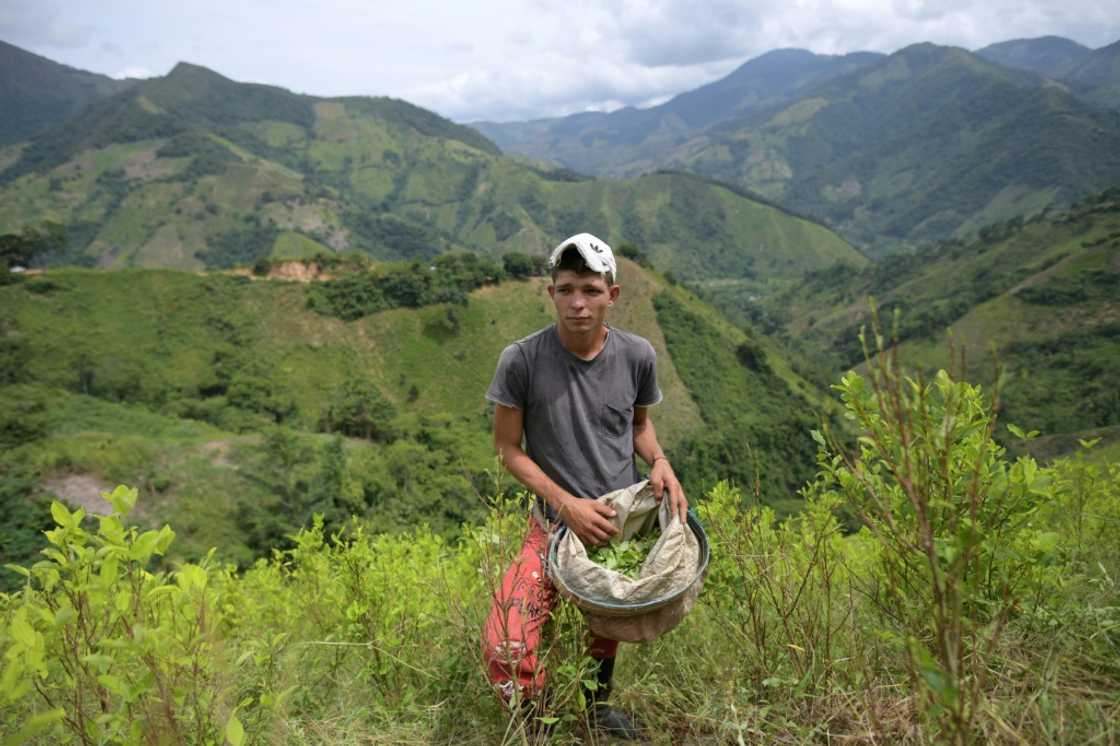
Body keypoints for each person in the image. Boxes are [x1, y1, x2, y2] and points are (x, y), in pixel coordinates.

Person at [482, 232, 687, 739]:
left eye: (591, 290)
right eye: (567, 288)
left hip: (614, 524)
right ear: (549, 291)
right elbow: (508, 448)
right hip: (551, 527)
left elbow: (638, 426)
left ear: (612, 296)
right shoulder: (522, 360)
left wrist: (659, 460)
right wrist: (565, 504)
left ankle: (595, 712)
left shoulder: (637, 356)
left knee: (605, 625)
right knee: (507, 641)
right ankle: (539, 723)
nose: (578, 303)